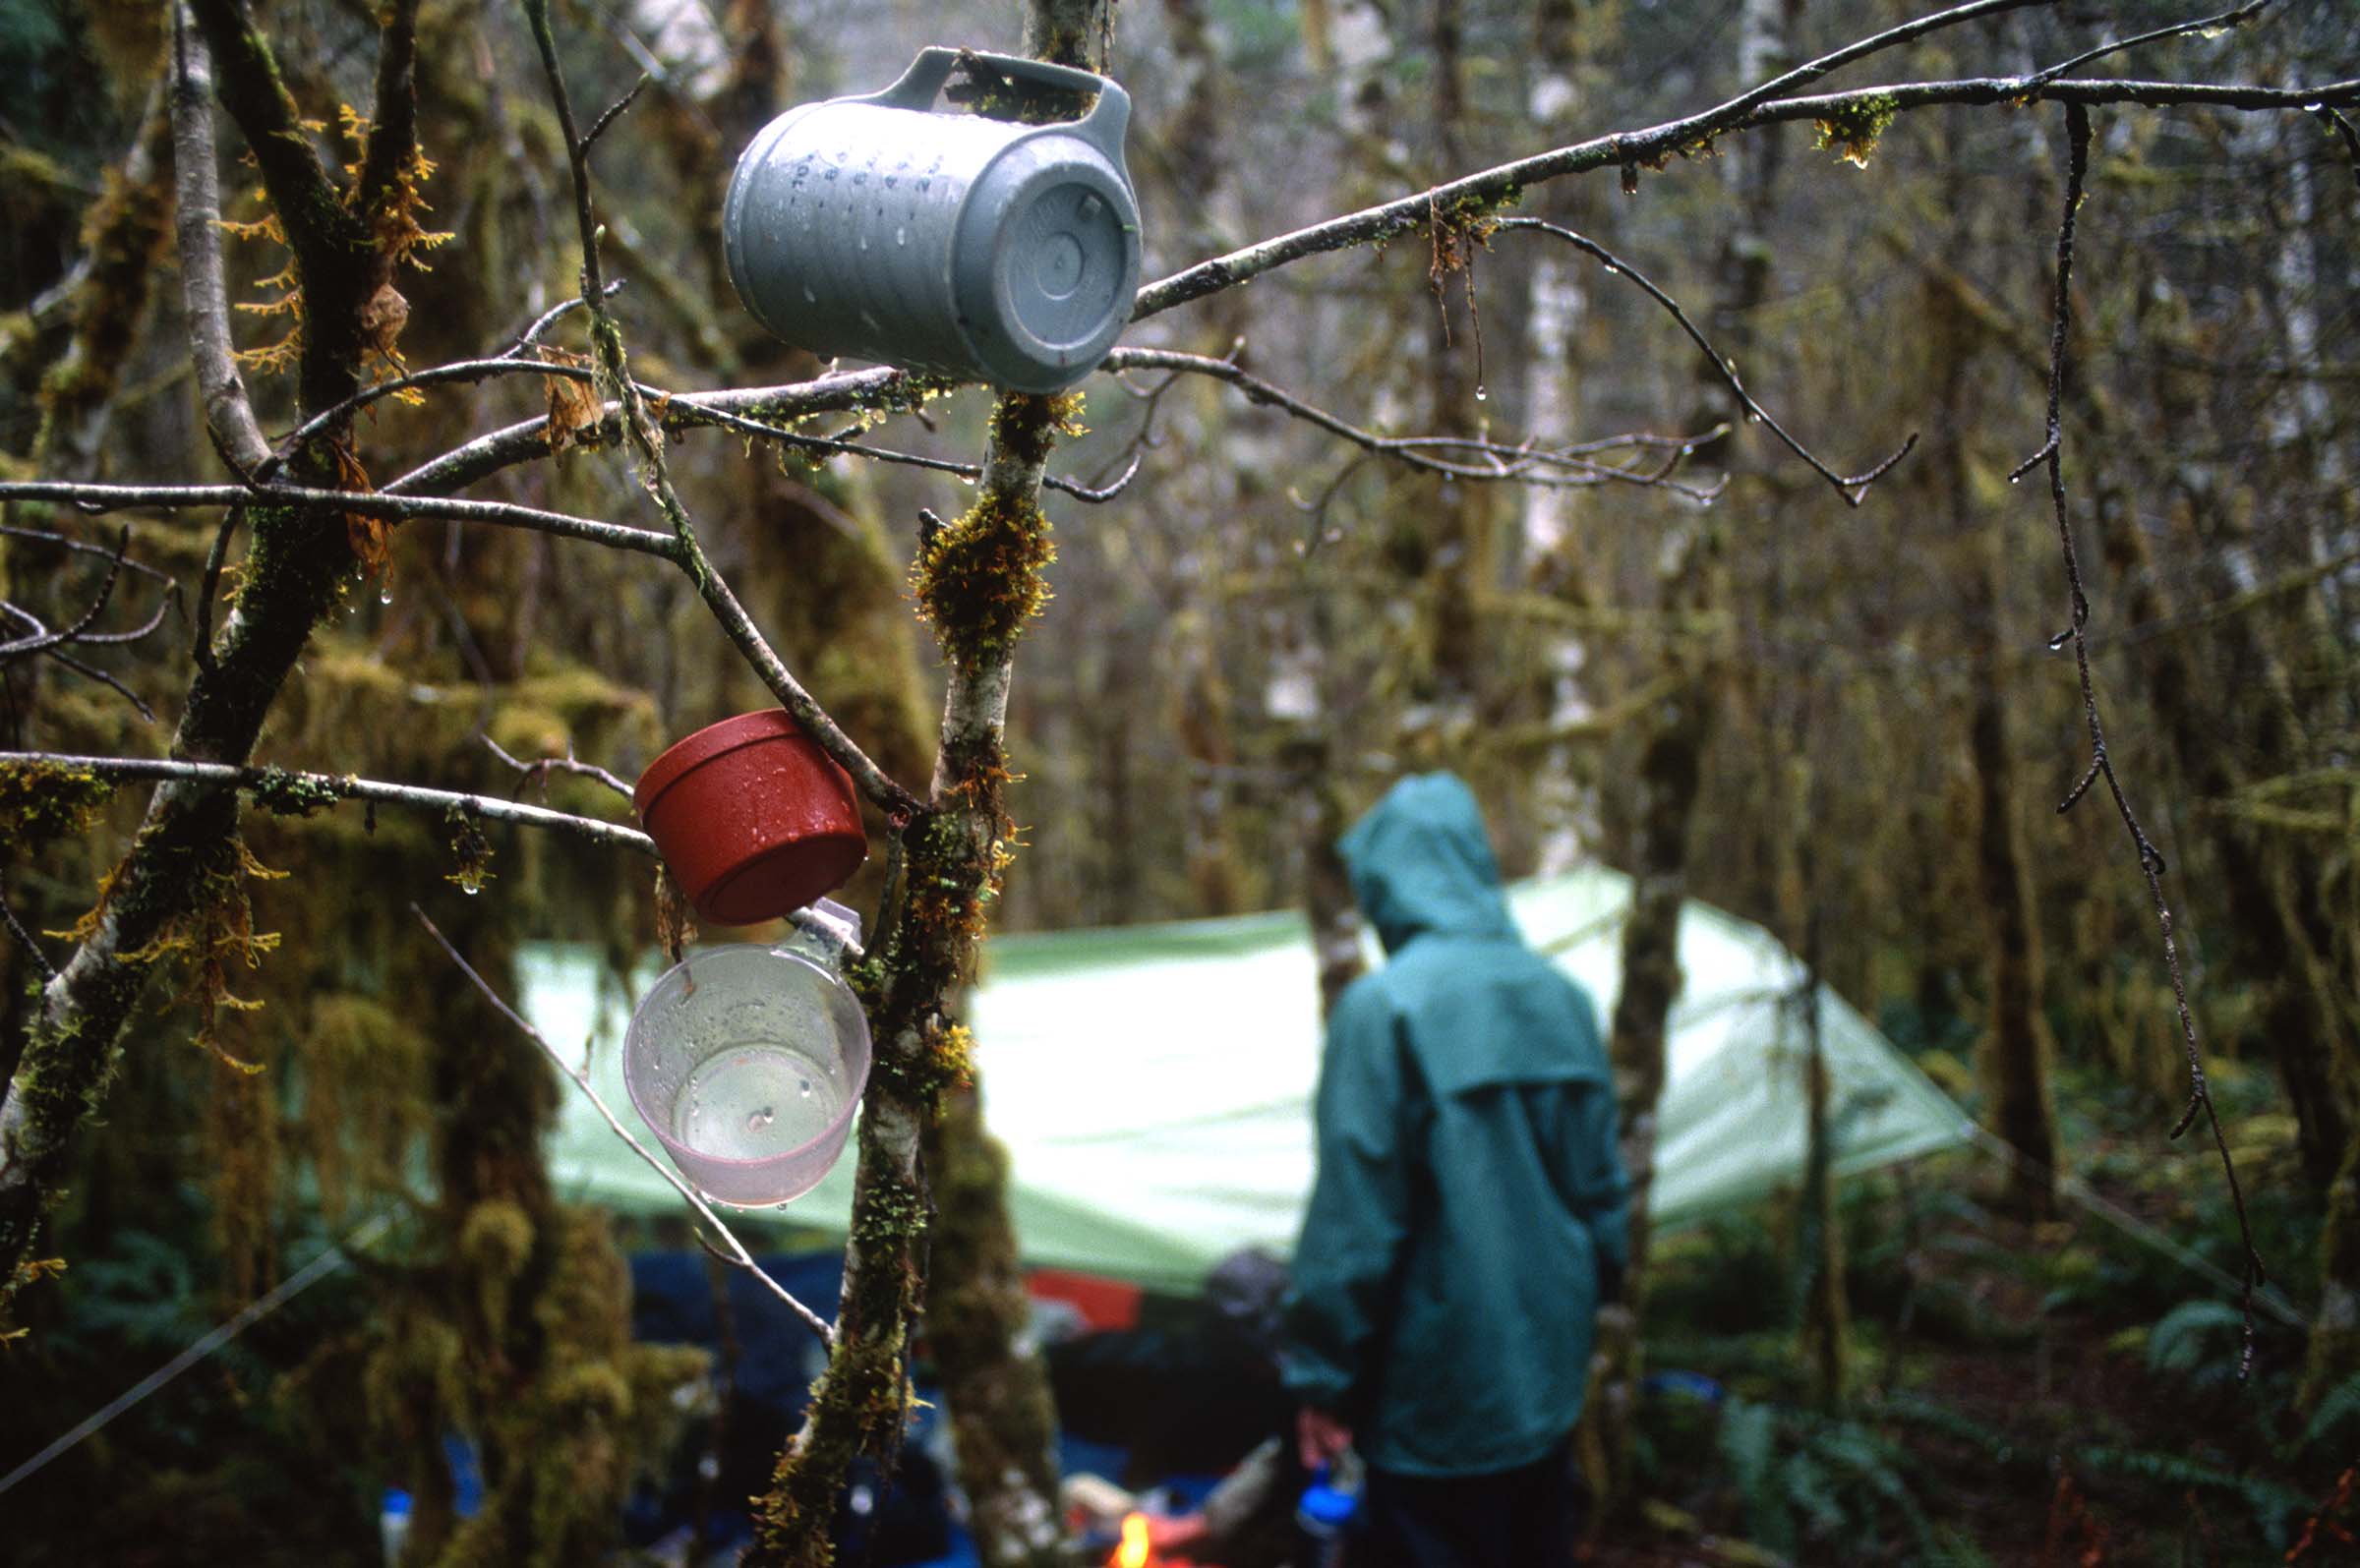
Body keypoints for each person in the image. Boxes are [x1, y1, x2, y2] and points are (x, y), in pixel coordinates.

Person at [1280, 773, 1630, 1568]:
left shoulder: (1385, 1009)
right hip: (1545, 1375)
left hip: (1433, 1394)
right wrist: (1584, 1304)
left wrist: (1322, 1376)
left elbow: (1354, 1220)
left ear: (1387, 886)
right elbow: (1605, 1195)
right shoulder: (1564, 1000)